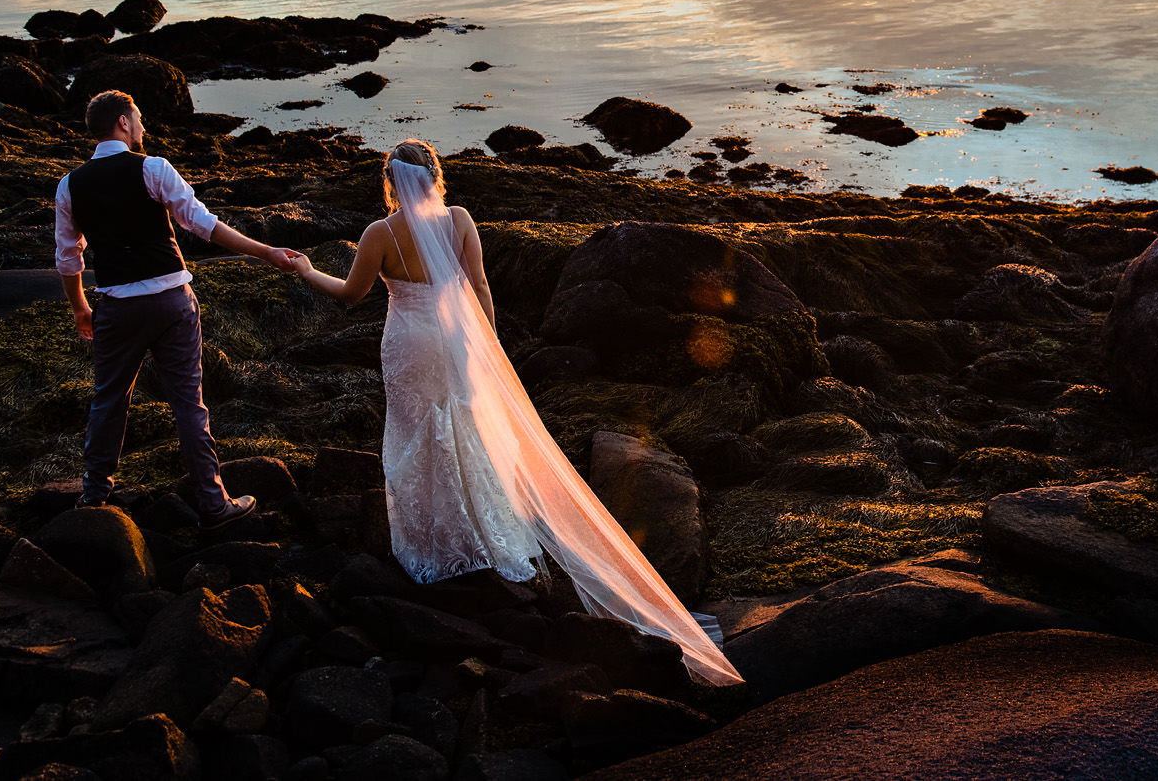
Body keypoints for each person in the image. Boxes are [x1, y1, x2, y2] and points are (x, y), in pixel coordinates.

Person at [292, 138, 741, 686]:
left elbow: (350, 294)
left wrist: (307, 269)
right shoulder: (458, 220)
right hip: (457, 340)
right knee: (467, 429)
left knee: (419, 433)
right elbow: (479, 285)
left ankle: (436, 543)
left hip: (409, 344)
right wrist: (489, 349)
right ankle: (490, 535)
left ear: (390, 181)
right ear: (436, 175)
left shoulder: (379, 235)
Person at [55, 89, 303, 526]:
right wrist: (265, 252)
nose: (144, 126)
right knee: (189, 404)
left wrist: (79, 308)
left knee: (108, 400)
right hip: (172, 300)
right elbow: (204, 225)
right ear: (123, 124)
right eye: (140, 118)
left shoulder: (70, 184)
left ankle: (94, 496)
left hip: (115, 304)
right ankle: (213, 503)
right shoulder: (152, 168)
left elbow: (68, 257)